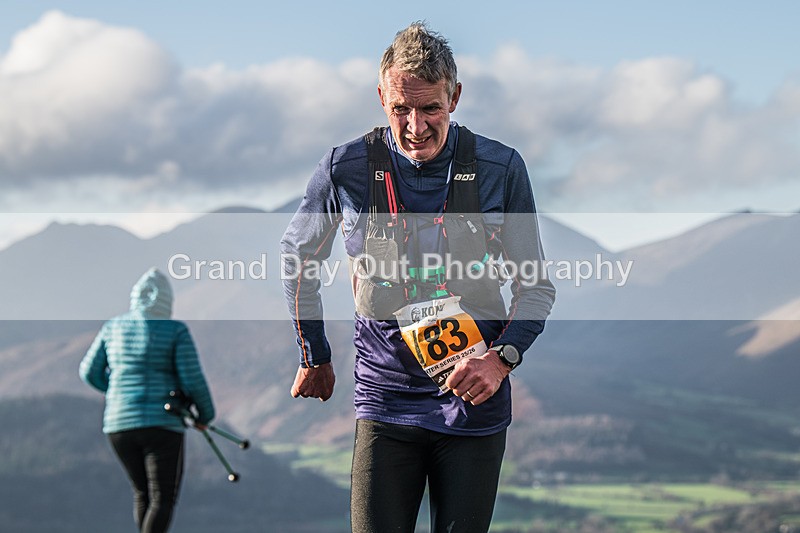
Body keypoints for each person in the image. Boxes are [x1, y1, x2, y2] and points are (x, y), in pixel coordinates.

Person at [281, 22, 555, 533]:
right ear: (381, 95)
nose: (415, 126)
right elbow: (297, 258)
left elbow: (535, 286)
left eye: (431, 108)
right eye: (400, 108)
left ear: (455, 96)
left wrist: (501, 359)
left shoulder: (501, 168)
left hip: (475, 402)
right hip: (385, 399)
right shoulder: (345, 167)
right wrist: (313, 354)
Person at [79, 267, 215, 533]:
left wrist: (117, 392)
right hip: (162, 424)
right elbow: (192, 380)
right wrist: (205, 415)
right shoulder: (175, 331)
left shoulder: (113, 327)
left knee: (142, 493)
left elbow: (88, 372)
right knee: (162, 499)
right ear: (168, 301)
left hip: (118, 425)